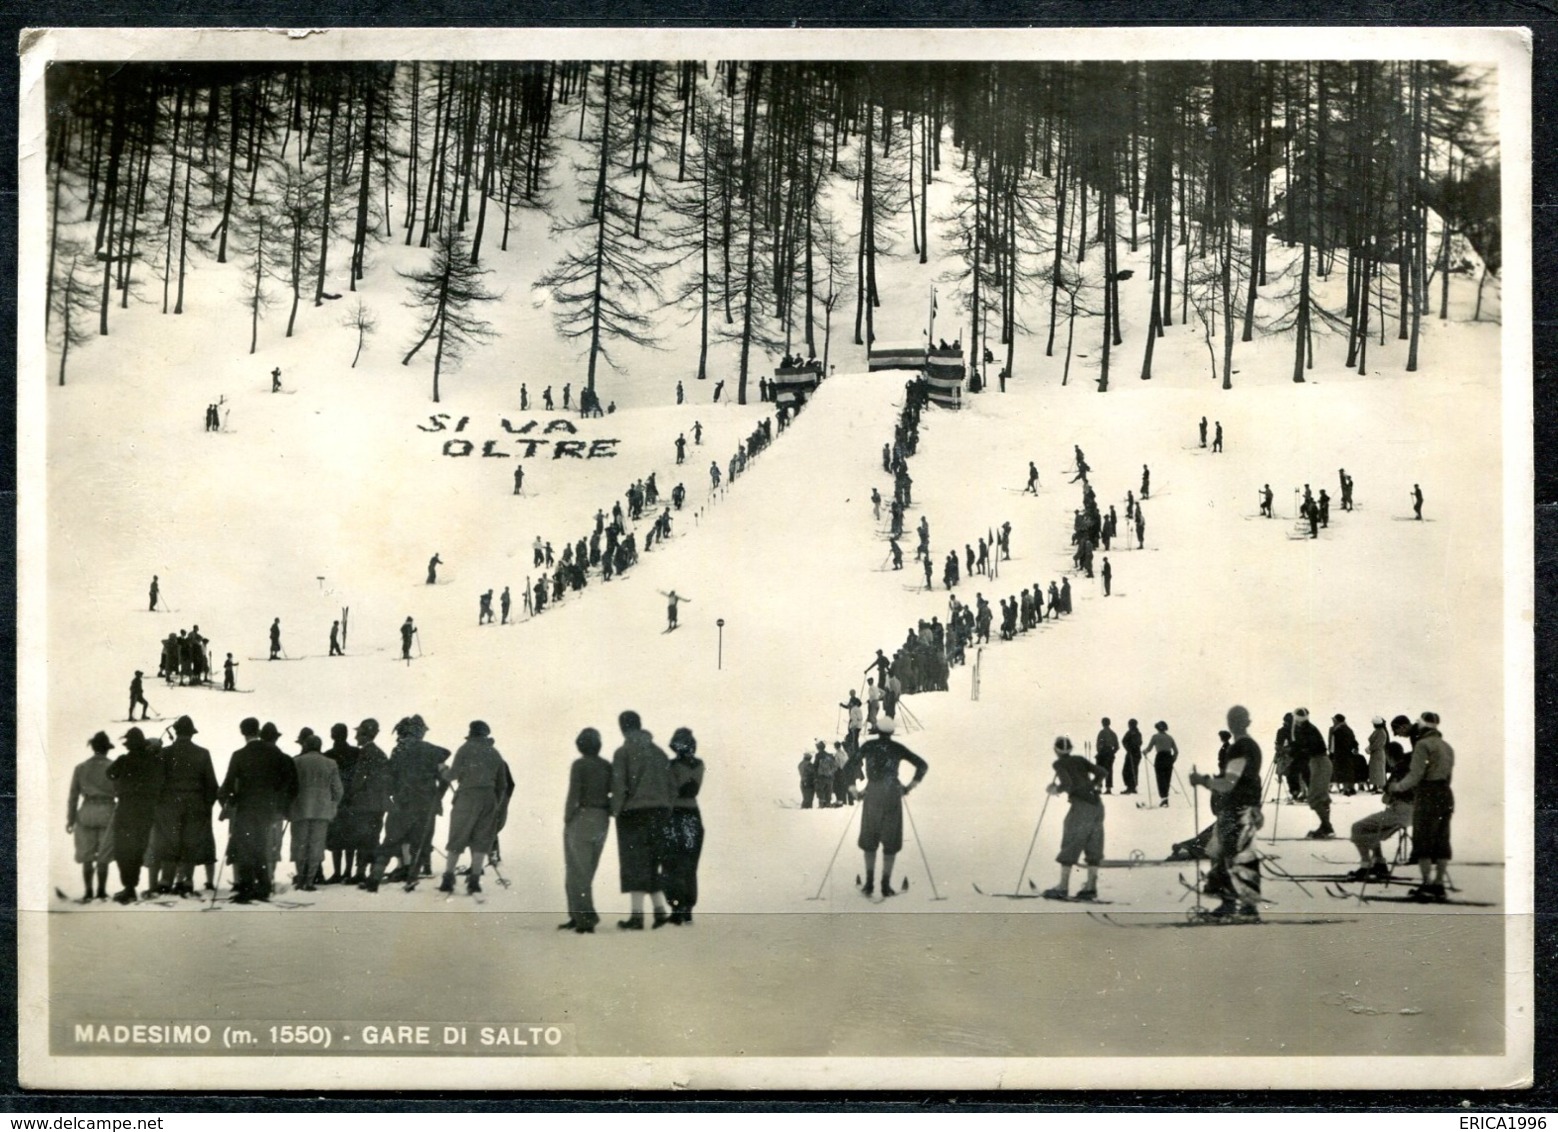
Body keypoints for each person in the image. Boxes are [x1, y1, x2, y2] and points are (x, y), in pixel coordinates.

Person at [1187, 704, 1265, 921]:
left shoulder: (1241, 748)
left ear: (1231, 724)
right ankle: (1234, 904)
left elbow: (1229, 783)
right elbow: (1253, 781)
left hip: (1236, 810)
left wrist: (1203, 781)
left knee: (1231, 855)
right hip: (1246, 808)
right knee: (1228, 854)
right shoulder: (1252, 747)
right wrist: (1257, 807)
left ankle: (1240, 907)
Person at [364, 716, 449, 892]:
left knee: (389, 841)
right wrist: (437, 797)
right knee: (419, 843)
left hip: (402, 804)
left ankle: (375, 877)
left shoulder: (399, 752)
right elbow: (446, 778)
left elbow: (388, 778)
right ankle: (411, 878)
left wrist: (391, 795)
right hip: (426, 805)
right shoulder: (433, 751)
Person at [218, 717, 298, 903]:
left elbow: (228, 784)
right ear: (258, 730)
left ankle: (246, 888)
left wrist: (229, 800)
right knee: (261, 846)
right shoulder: (274, 752)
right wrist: (277, 798)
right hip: (268, 808)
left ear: (243, 732)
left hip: (246, 808)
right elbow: (288, 778)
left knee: (246, 847)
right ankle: (263, 887)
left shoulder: (239, 755)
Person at [610, 711, 674, 930]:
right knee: (653, 863)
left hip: (633, 814)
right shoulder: (659, 753)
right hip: (661, 814)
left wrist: (614, 810)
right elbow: (672, 787)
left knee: (634, 863)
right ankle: (660, 912)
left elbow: (619, 787)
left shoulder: (623, 752)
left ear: (622, 728)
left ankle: (637, 917)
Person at [856, 716, 928, 898]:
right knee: (891, 839)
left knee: (869, 839)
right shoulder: (897, 748)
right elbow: (922, 765)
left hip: (873, 794)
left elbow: (849, 766)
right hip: (892, 795)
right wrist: (909, 786)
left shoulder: (868, 746)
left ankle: (869, 884)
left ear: (877, 730)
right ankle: (885, 885)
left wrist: (854, 790)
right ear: (892, 732)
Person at [439, 721, 511, 896]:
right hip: (488, 800)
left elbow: (452, 775)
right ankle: (474, 881)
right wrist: (496, 803)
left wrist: (442, 771)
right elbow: (503, 785)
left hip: (467, 797)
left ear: (471, 733)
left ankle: (448, 880)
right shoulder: (495, 753)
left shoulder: (465, 749)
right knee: (481, 840)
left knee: (457, 836)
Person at [1391, 711, 1455, 901]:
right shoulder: (1447, 746)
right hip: (1445, 793)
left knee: (1423, 838)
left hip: (1428, 793)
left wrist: (1398, 786)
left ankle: (1426, 884)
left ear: (1422, 726)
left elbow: (1416, 774)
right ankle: (1439, 883)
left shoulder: (1422, 744)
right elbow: (1449, 775)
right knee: (1442, 838)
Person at [153, 715, 218, 897]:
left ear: (176, 731)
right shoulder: (203, 753)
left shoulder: (165, 753)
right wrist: (207, 806)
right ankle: (187, 881)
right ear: (191, 733)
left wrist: (159, 806)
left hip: (170, 804)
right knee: (190, 842)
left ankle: (166, 880)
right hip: (196, 803)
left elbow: (158, 782)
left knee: (169, 840)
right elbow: (211, 785)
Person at [560, 727, 613, 933]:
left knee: (576, 870)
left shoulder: (579, 765)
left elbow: (574, 794)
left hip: (581, 818)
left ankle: (583, 918)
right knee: (587, 869)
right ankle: (578, 914)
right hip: (601, 819)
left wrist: (568, 818)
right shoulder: (607, 765)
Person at [1041, 735, 1106, 901]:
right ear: (1070, 749)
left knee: (1071, 839)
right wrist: (1090, 786)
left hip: (1081, 806)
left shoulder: (1059, 764)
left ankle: (1062, 887)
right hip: (1097, 805)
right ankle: (1091, 887)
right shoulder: (1079, 759)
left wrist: (1055, 789)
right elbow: (1102, 772)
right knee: (1094, 842)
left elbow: (1068, 784)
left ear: (1056, 750)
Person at [105, 727, 164, 903]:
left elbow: (110, 773)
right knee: (139, 846)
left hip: (126, 809)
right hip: (146, 810)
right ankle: (132, 885)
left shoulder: (123, 760)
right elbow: (161, 781)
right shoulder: (153, 761)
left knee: (123, 848)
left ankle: (128, 887)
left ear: (128, 745)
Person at [1347, 732, 1414, 881]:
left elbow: (1386, 797)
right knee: (1371, 828)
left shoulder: (1398, 770)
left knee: (1358, 828)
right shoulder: (1409, 768)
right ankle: (1379, 862)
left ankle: (1366, 865)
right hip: (1410, 812)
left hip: (1399, 811)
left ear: (1389, 756)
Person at [290, 729, 343, 891]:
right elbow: (338, 790)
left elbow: (290, 787)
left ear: (305, 745)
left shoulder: (296, 762)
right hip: (322, 811)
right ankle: (310, 880)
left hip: (300, 809)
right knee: (316, 845)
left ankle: (300, 878)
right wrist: (333, 805)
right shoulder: (330, 763)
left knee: (300, 844)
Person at [67, 732, 117, 902]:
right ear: (107, 749)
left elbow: (73, 796)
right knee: (104, 854)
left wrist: (70, 819)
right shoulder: (114, 767)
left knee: (86, 854)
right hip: (108, 811)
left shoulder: (81, 768)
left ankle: (88, 891)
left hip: (86, 810)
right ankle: (101, 891)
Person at [663, 727, 705, 924]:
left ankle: (677, 906)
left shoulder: (670, 766)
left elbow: (669, 791)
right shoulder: (699, 765)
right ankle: (688, 906)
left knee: (672, 863)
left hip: (674, 816)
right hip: (693, 816)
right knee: (690, 865)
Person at [342, 719, 390, 886]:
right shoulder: (381, 754)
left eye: (358, 733)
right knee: (374, 837)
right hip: (379, 804)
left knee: (362, 837)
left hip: (364, 804)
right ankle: (373, 872)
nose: (355, 736)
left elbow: (359, 779)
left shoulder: (366, 753)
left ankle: (361, 873)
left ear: (365, 734)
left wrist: (350, 794)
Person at [1290, 708, 1333, 838]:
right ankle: (1325, 826)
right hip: (1321, 762)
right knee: (1322, 797)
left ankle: (1327, 827)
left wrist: (1290, 751)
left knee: (1314, 797)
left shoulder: (1305, 729)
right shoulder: (1308, 728)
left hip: (1319, 762)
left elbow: (1306, 748)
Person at [1144, 720, 1178, 807]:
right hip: (1168, 757)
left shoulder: (1155, 737)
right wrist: (1172, 760)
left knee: (1160, 778)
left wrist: (1144, 752)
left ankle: (1164, 798)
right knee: (1167, 778)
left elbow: (1149, 748)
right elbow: (1176, 751)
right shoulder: (1170, 737)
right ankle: (1165, 798)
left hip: (1160, 758)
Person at [1330, 713, 1360, 795]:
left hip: (1340, 754)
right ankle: (1351, 788)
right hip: (1349, 754)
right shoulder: (1349, 729)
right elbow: (1354, 742)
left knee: (1342, 771)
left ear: (1336, 720)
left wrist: (1332, 753)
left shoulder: (1337, 730)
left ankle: (1346, 789)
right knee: (1349, 770)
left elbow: (1334, 744)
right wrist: (1354, 752)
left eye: (1333, 720)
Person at [1095, 718, 1120, 794]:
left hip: (1103, 753)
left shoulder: (1101, 733)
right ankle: (1108, 788)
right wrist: (1112, 752)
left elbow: (1099, 744)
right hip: (1110, 753)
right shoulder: (1113, 733)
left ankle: (1099, 788)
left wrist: (1099, 752)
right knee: (1109, 770)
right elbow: (1117, 746)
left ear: (1102, 723)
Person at [1120, 719, 1144, 795]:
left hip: (1133, 753)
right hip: (1133, 753)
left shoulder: (1133, 732)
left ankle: (1131, 787)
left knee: (1129, 770)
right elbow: (1124, 741)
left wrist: (1130, 747)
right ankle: (1131, 787)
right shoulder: (1136, 733)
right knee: (1131, 770)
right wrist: (1128, 747)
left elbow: (1138, 742)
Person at [1366, 715, 1389, 793]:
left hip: (1378, 753)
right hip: (1375, 753)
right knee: (1375, 770)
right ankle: (1375, 785)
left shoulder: (1381, 732)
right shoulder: (1379, 731)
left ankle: (1380, 787)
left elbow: (1378, 744)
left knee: (1379, 770)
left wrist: (1370, 748)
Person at [813, 744, 836, 808]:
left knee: (821, 790)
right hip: (830, 776)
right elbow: (834, 766)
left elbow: (815, 766)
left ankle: (821, 805)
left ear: (818, 748)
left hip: (821, 777)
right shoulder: (829, 755)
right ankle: (828, 804)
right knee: (828, 790)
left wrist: (815, 777)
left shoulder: (818, 755)